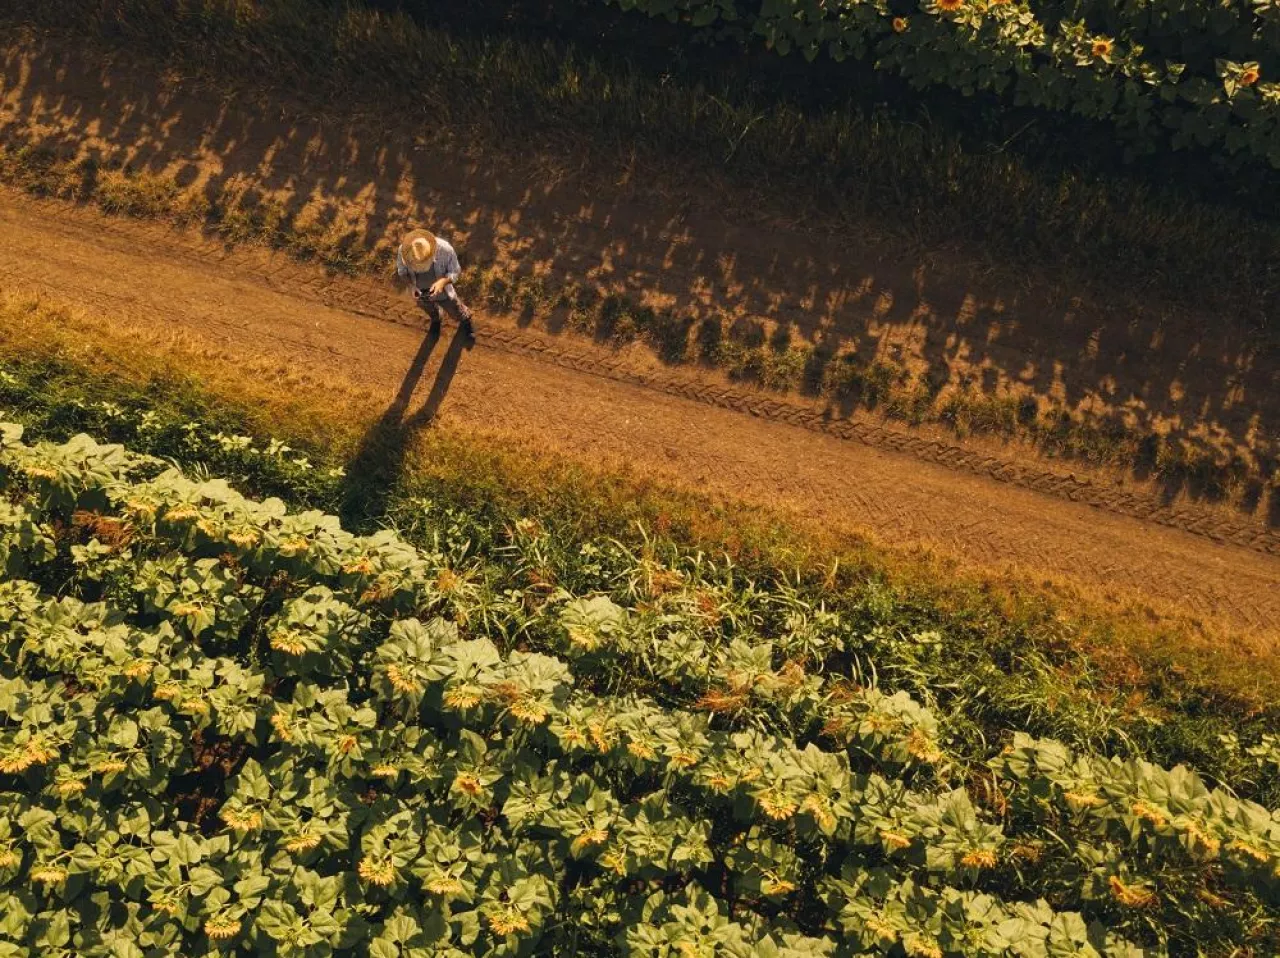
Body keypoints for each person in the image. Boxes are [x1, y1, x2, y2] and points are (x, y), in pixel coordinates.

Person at [395, 228, 474, 331]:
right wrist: (412, 286)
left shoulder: (445, 249)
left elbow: (455, 271)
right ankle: (436, 319)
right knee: (430, 310)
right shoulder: (404, 251)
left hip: (444, 292)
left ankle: (465, 320)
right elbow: (402, 272)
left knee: (456, 310)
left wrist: (442, 282)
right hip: (420, 293)